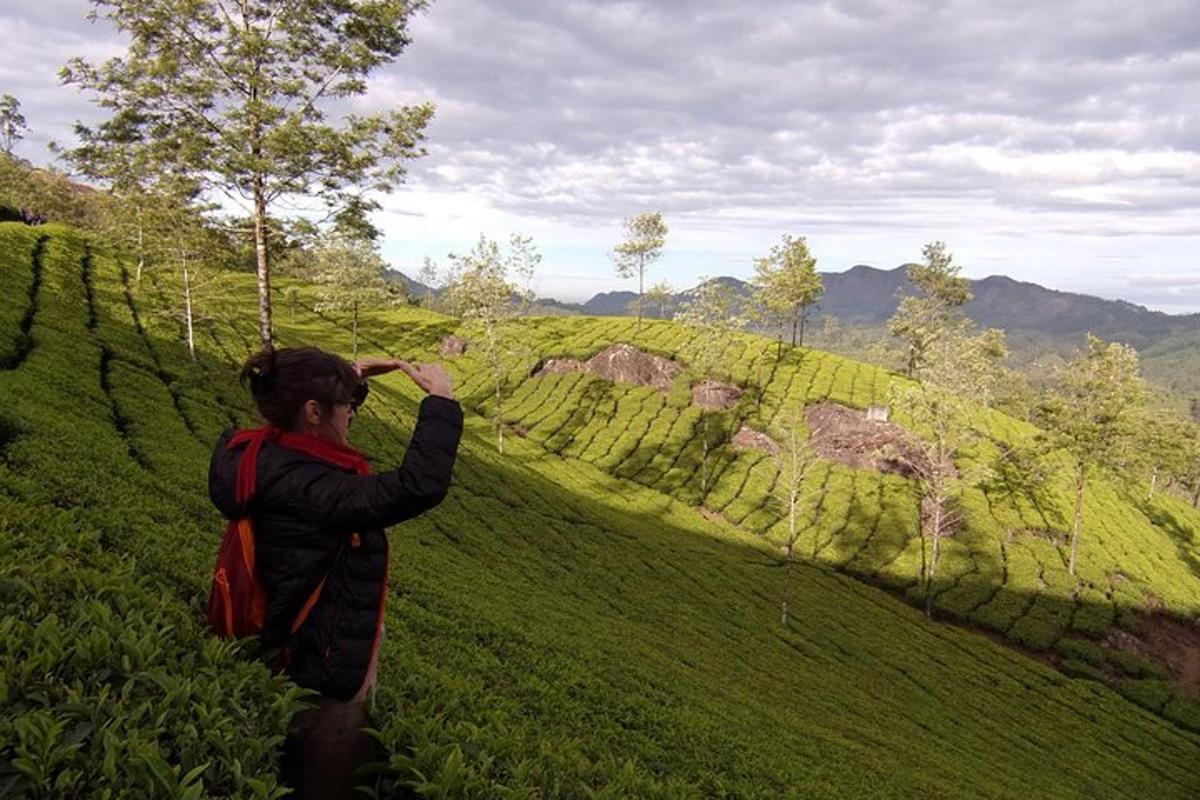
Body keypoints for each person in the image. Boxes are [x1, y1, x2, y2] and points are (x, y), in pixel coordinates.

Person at [208, 345, 463, 799]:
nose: (351, 415)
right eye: (347, 406)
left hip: (294, 653)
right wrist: (441, 402)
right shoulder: (315, 486)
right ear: (312, 410)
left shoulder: (266, 456)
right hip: (321, 676)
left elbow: (320, 424)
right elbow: (416, 486)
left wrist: (350, 380)